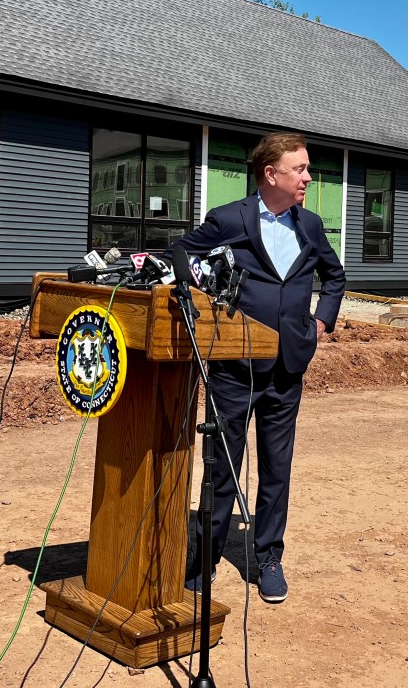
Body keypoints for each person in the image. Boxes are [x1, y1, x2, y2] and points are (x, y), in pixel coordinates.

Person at [173, 131, 345, 602]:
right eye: (300, 169)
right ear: (271, 174)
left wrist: (321, 322)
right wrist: (206, 304)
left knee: (276, 469)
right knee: (223, 466)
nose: (308, 177)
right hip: (235, 367)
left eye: (308, 169)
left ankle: (268, 558)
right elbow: (182, 252)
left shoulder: (309, 225)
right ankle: (204, 559)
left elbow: (335, 275)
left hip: (289, 366)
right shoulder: (230, 219)